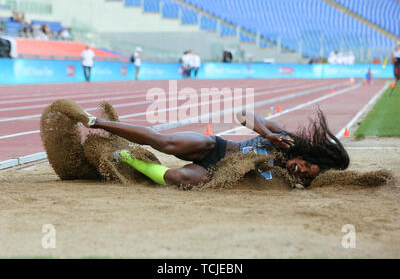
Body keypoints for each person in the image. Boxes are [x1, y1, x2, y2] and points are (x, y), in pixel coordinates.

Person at [82, 107, 350, 188]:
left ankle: (128, 157)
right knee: (164, 142)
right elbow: (242, 115)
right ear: (307, 155)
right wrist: (269, 133)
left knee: (179, 178)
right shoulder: (285, 139)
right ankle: (99, 122)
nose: (301, 170)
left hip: (214, 173)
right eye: (306, 165)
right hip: (216, 148)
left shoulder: (291, 182)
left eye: (307, 174)